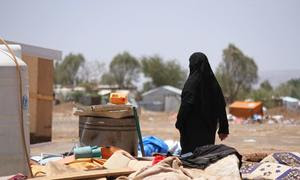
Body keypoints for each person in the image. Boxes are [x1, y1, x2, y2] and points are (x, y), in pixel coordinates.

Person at [175, 52, 229, 154]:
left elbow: (186, 105)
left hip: (191, 130)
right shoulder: (214, 84)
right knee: (205, 155)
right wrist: (223, 128)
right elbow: (221, 106)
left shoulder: (191, 84)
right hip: (208, 129)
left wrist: (179, 123)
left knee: (190, 157)